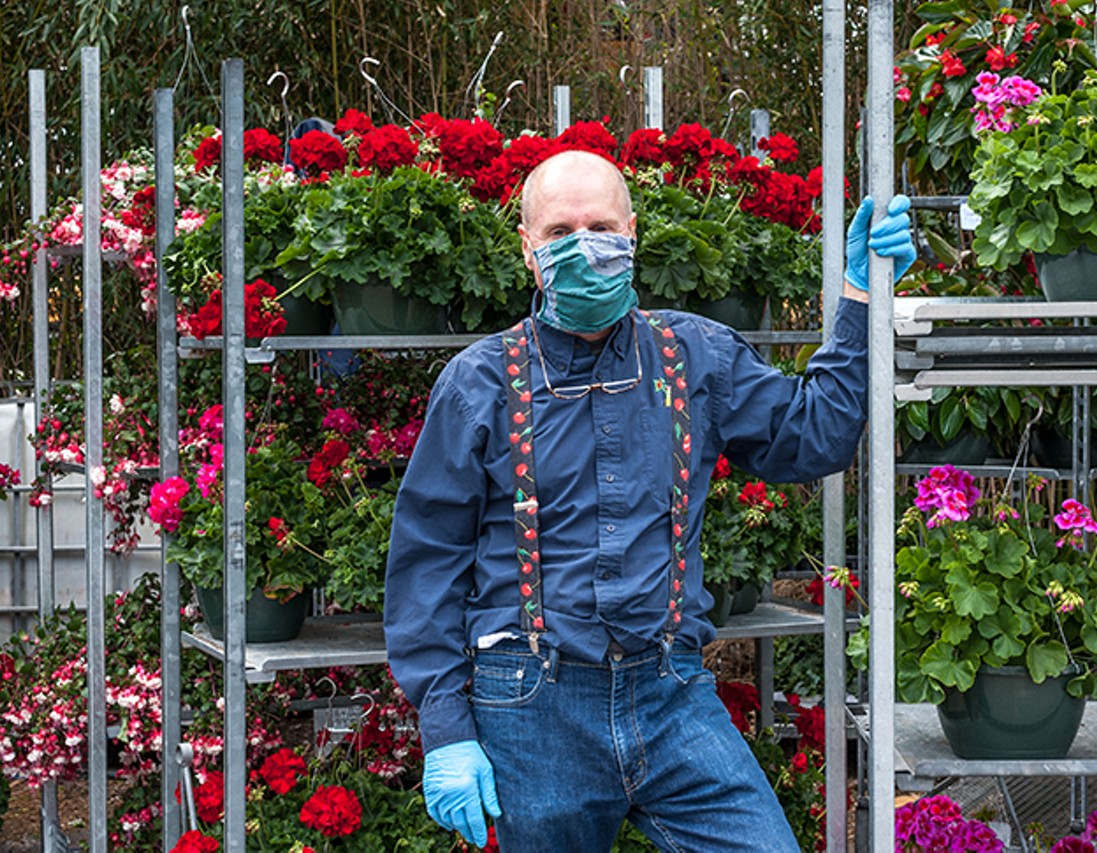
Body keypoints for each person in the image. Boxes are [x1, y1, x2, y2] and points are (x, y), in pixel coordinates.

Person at [384, 148, 915, 851]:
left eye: (601, 226)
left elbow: (812, 438)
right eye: (559, 233)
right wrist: (447, 729)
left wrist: (859, 296)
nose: (583, 245)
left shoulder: (696, 355)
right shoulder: (477, 383)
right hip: (530, 705)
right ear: (527, 250)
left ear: (632, 234)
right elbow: (427, 566)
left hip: (670, 693)